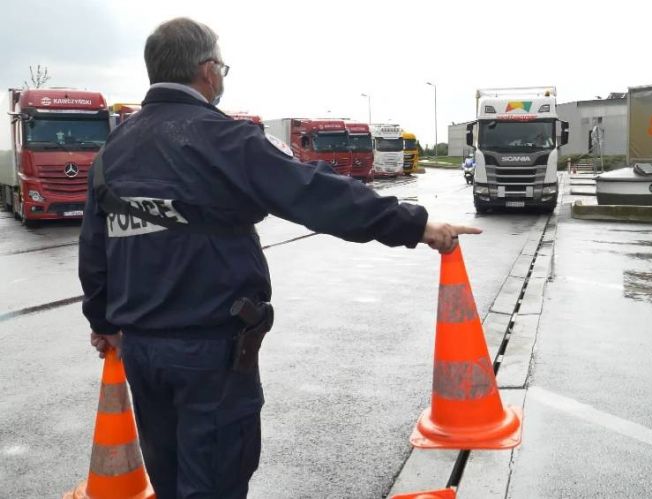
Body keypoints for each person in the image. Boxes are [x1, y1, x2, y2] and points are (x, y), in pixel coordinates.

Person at [79, 17, 480, 499]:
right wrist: (416, 225)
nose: (222, 78)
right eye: (222, 68)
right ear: (208, 71)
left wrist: (103, 321)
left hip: (142, 352)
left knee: (170, 480)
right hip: (211, 355)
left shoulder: (113, 151)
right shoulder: (225, 140)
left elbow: (95, 247)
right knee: (214, 482)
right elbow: (318, 195)